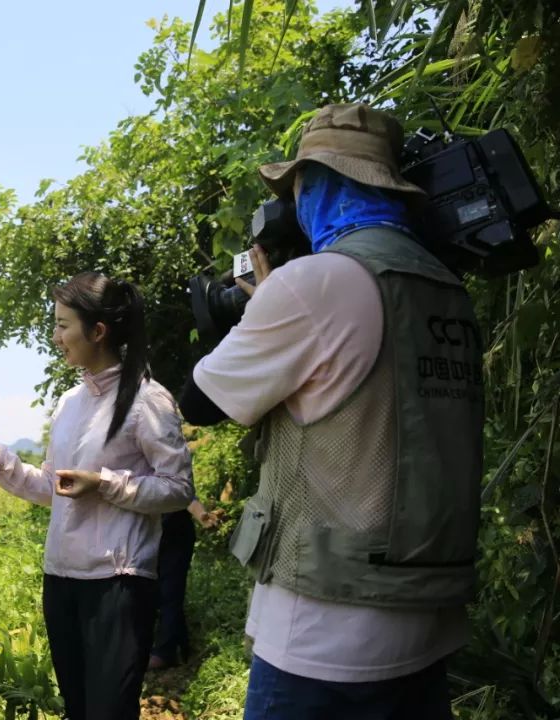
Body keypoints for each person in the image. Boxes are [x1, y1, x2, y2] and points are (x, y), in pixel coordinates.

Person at [179, 103, 484, 718]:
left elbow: (200, 403)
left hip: (327, 624)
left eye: (297, 189)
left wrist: (266, 306)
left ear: (316, 186)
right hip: (429, 611)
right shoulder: (446, 288)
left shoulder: (316, 283)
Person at [0, 272, 194, 720]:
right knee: (78, 709)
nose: (56, 336)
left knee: (109, 711)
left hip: (118, 583)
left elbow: (179, 490)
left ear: (98, 331)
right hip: (61, 579)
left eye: (63, 325)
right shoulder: (70, 403)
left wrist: (105, 484)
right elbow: (54, 488)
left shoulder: (148, 400)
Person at [148, 499, 219, 671]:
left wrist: (201, 515)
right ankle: (180, 645)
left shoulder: (172, 472)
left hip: (174, 534)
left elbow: (186, 495)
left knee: (170, 591)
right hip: (150, 533)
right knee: (153, 591)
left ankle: (165, 653)